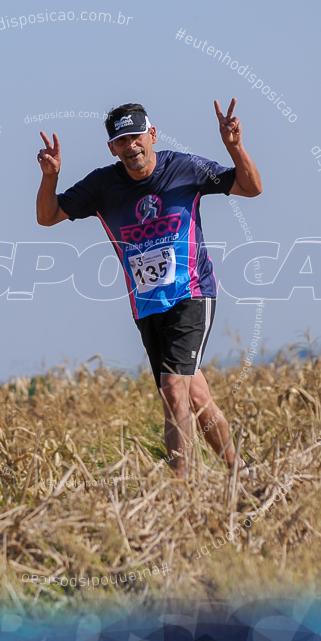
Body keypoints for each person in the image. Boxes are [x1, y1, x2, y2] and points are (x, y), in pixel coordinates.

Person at [35, 100, 262, 480]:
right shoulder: (101, 186)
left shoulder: (185, 169)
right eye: (122, 140)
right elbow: (47, 217)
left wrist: (234, 146)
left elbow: (251, 188)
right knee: (195, 395)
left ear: (152, 135)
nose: (131, 146)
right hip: (147, 307)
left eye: (137, 136)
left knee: (174, 389)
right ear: (113, 148)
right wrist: (50, 177)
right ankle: (241, 472)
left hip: (192, 293)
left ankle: (180, 495)